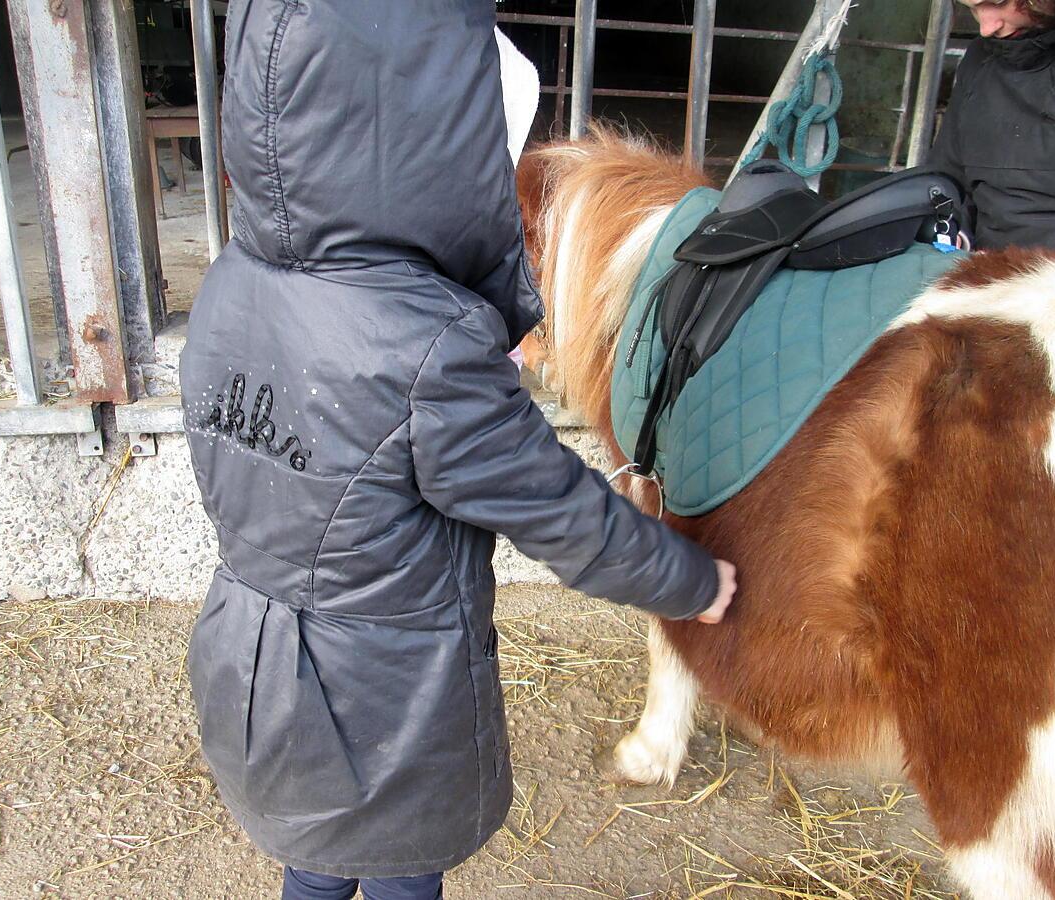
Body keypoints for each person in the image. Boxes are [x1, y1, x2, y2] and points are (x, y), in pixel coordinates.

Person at [177, 4, 737, 899]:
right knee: (403, 874)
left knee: (312, 861)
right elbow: (562, 514)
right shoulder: (429, 347)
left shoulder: (231, 285)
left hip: (251, 658)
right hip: (387, 698)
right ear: (433, 154)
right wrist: (695, 583)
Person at [929, 0, 1055, 249]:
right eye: (971, 7)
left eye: (998, 3)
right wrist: (954, 234)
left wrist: (1032, 272)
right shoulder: (980, 58)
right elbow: (946, 183)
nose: (986, 27)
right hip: (985, 269)